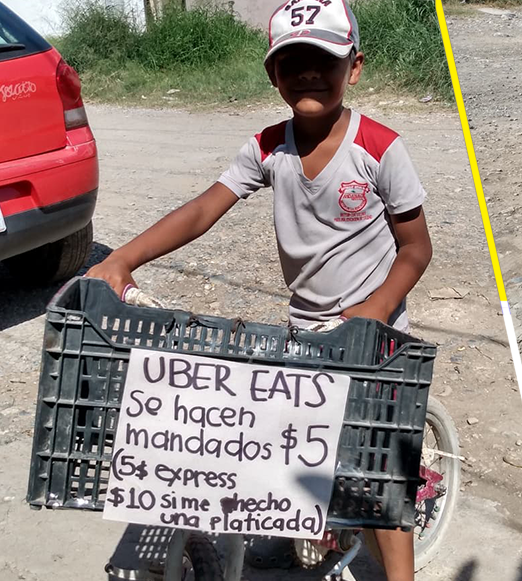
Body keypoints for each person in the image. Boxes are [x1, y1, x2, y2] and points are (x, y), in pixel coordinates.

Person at [86, 0, 432, 578]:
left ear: (355, 66)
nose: (307, 74)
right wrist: (122, 259)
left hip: (375, 336)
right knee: (284, 449)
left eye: (323, 59)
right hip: (304, 330)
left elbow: (416, 249)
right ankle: (295, 527)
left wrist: (372, 311)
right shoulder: (269, 145)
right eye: (291, 63)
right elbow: (203, 208)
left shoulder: (380, 148)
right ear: (273, 74)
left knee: (379, 476)